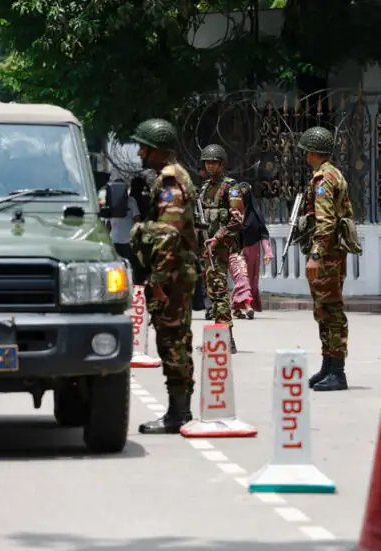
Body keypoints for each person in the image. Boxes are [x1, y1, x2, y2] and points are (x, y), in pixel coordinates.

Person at [128, 118, 199, 434]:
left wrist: (157, 282)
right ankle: (180, 410)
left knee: (171, 341)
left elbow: (168, 235)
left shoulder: (170, 181)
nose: (140, 153)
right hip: (177, 272)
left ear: (157, 150)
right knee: (179, 339)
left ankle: (176, 414)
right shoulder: (176, 176)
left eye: (144, 147)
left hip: (170, 275)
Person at [298, 126, 354, 392]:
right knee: (323, 309)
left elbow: (326, 220)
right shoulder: (333, 174)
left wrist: (316, 255)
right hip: (332, 254)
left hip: (328, 255)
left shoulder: (324, 179)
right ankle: (328, 366)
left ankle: (338, 372)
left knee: (330, 311)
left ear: (312, 152)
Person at [198, 144, 244, 353]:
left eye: (214, 162)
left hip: (221, 248)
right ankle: (219, 337)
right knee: (212, 292)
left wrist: (218, 237)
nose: (211, 166)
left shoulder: (230, 187)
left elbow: (237, 219)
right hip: (206, 248)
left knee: (219, 292)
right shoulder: (205, 188)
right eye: (208, 162)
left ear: (222, 164)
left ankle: (227, 338)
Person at [229, 181, 274, 317]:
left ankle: (236, 307)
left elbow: (263, 233)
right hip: (236, 251)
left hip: (253, 251)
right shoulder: (229, 214)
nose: (240, 200)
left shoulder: (255, 215)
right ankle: (247, 305)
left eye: (243, 197)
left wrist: (268, 252)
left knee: (251, 282)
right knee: (242, 278)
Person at [106, 178, 144, 284]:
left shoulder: (131, 201)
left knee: (131, 266)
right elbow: (108, 223)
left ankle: (134, 286)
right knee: (116, 266)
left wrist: (137, 236)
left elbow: (137, 219)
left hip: (128, 240)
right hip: (114, 239)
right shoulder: (110, 202)